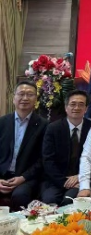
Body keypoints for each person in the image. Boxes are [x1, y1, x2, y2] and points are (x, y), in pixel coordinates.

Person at [0, 81, 47, 211]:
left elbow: (43, 159)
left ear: (36, 100)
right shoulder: (2, 123)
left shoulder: (44, 126)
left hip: (26, 177)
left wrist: (23, 178)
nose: (25, 98)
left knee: (20, 196)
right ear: (13, 98)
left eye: (30, 94)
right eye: (21, 94)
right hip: (2, 175)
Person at [41, 90, 91, 206]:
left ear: (86, 108)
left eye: (81, 104)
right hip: (56, 179)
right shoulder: (53, 128)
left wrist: (80, 176)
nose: (76, 108)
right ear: (66, 107)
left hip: (81, 180)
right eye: (73, 104)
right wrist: (64, 181)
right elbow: (48, 160)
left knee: (69, 201)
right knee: (50, 201)